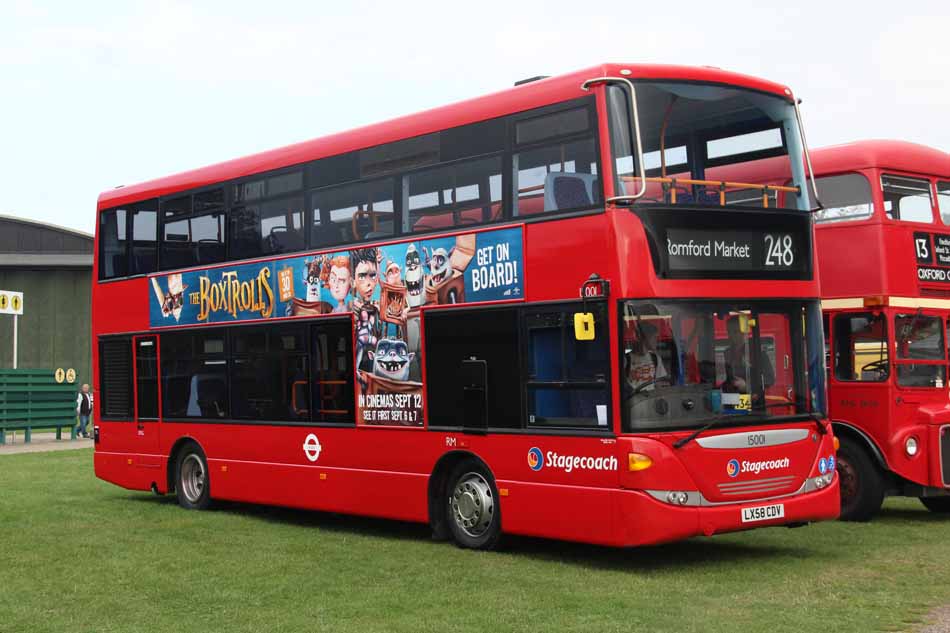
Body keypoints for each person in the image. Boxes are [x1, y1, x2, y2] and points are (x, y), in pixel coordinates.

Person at [722, 316, 775, 393]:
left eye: (735, 331)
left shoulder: (758, 353)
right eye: (729, 332)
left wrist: (747, 386)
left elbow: (769, 379)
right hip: (732, 397)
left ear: (745, 332)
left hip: (754, 400)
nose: (731, 335)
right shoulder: (727, 353)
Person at [624, 322, 668, 394]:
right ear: (644, 337)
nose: (657, 341)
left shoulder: (655, 358)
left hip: (651, 401)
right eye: (654, 337)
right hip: (634, 402)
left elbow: (661, 382)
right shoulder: (626, 359)